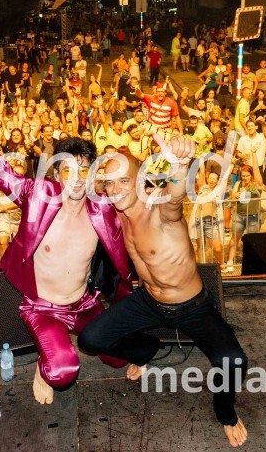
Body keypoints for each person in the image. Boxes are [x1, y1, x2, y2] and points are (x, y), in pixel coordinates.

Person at [0, 81, 133, 405]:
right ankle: (45, 364)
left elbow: (147, 212)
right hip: (43, 308)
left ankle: (77, 345)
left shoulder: (104, 211)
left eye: (84, 171)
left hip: (85, 304)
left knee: (120, 356)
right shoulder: (37, 197)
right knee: (63, 372)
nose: (76, 179)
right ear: (57, 174)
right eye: (68, 171)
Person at [79, 136, 249, 448]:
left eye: (123, 181)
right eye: (109, 183)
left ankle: (226, 413)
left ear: (140, 180)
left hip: (191, 306)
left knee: (234, 361)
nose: (115, 189)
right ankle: (146, 350)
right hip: (147, 300)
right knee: (91, 339)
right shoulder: (116, 210)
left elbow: (175, 197)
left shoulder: (158, 207)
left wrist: (179, 165)